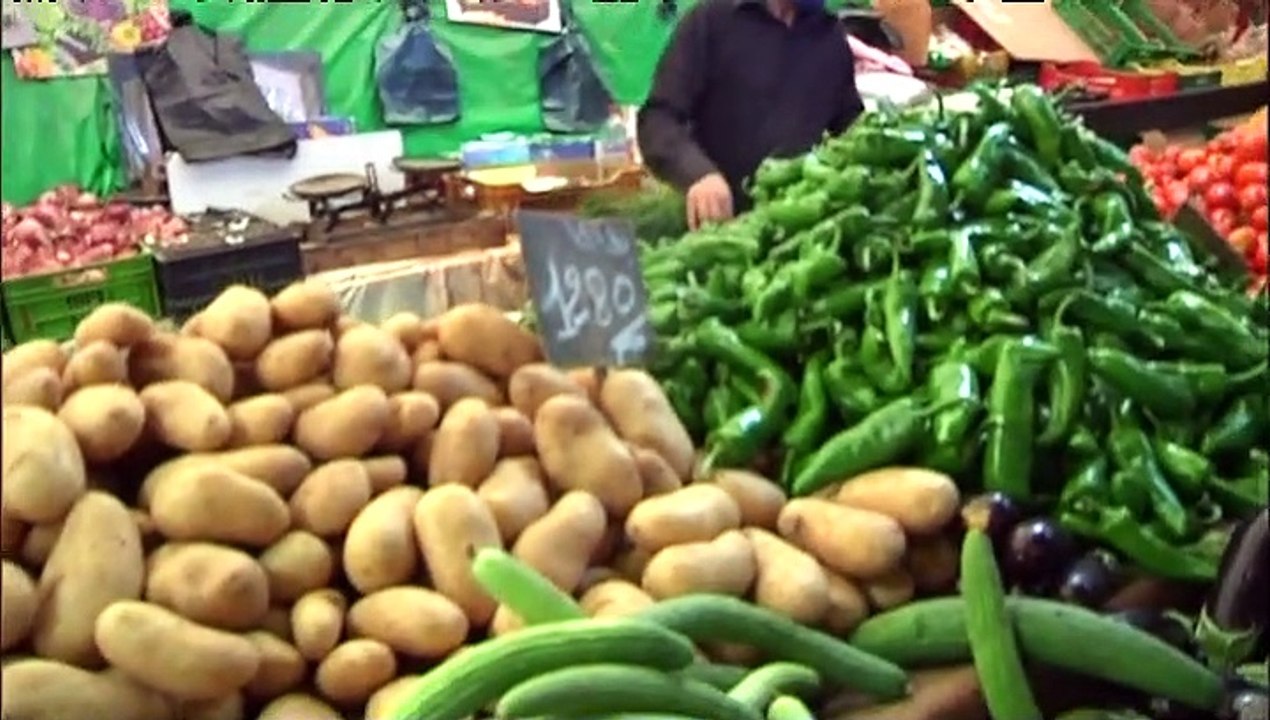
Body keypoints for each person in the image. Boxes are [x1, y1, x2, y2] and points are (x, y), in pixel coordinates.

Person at [637, 0, 865, 229]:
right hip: (722, 234)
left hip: (802, 235)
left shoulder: (829, 36)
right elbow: (659, 119)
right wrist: (698, 174)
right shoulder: (712, 21)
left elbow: (851, 127)